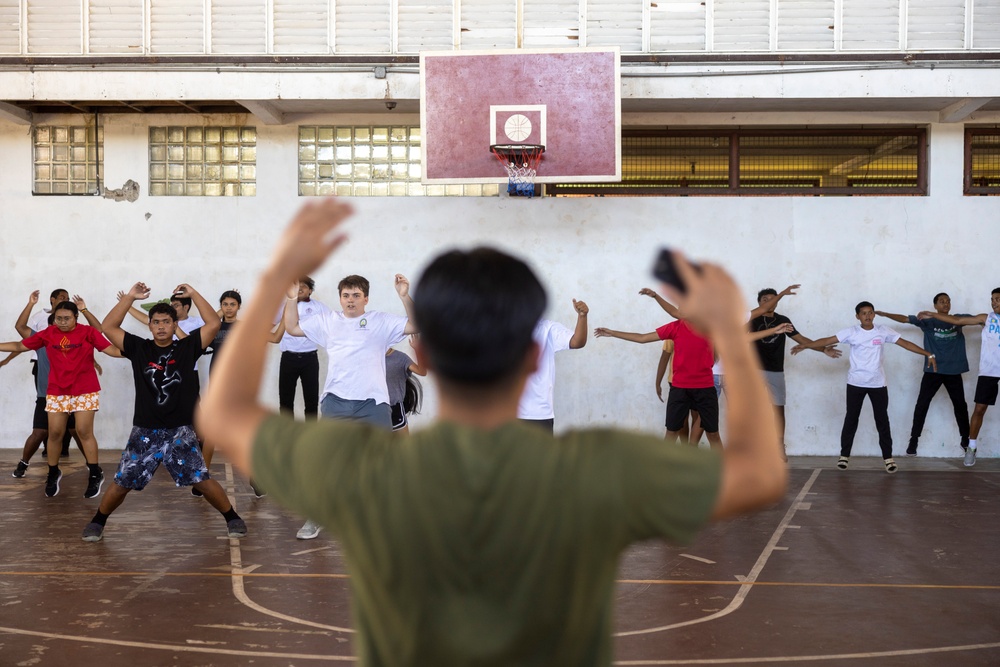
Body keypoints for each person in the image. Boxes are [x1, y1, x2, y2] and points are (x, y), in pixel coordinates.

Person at [198, 199, 786, 667]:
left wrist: (278, 277)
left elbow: (222, 414)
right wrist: (730, 337)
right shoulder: (593, 468)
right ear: (534, 359)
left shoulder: (369, 467)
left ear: (421, 353)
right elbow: (760, 472)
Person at [80, 282, 246, 542]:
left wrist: (193, 293)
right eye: (156, 322)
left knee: (200, 479)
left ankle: (232, 517)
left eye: (166, 321)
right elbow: (108, 327)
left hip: (180, 430)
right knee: (122, 482)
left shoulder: (187, 348)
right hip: (145, 429)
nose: (161, 326)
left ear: (174, 323)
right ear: (149, 325)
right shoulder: (139, 348)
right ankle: (98, 521)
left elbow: (213, 323)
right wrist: (131, 298)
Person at [282, 272, 418, 539]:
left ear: (365, 298)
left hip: (374, 404)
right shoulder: (328, 321)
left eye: (356, 295)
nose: (351, 300)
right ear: (340, 298)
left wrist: (404, 296)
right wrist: (289, 299)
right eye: (346, 295)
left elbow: (416, 325)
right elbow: (292, 328)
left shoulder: (380, 322)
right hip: (336, 402)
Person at [792, 301, 937, 473]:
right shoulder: (852, 332)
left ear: (874, 314)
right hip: (855, 383)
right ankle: (844, 456)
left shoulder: (882, 331)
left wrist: (927, 353)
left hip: (878, 384)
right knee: (851, 419)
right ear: (857, 316)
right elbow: (828, 339)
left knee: (882, 421)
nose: (867, 316)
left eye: (870, 312)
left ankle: (888, 458)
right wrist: (807, 345)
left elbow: (905, 343)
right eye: (863, 313)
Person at [0, 298, 121, 498]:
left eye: (67, 318)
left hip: (85, 389)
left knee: (83, 431)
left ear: (76, 317)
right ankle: (53, 471)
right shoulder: (47, 334)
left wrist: (136, 352)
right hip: (57, 390)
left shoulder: (88, 332)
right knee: (55, 433)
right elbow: (20, 346)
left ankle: (94, 472)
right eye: (58, 319)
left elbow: (110, 350)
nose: (62, 322)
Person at [198, 289, 283, 497]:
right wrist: (216, 314)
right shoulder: (213, 327)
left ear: (238, 306)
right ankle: (201, 478)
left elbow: (275, 338)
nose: (228, 308)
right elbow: (193, 339)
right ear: (221, 306)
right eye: (225, 304)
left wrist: (288, 310)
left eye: (232, 304)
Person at [875, 294, 972, 457]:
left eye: (948, 301)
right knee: (922, 405)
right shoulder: (927, 321)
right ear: (935, 305)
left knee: (960, 406)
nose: (946, 304)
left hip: (953, 371)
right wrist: (884, 314)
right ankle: (914, 440)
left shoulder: (958, 319)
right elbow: (905, 319)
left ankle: (965, 439)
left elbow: (978, 320)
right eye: (942, 302)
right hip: (933, 371)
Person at [751, 287, 842, 458]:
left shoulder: (783, 320)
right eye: (765, 299)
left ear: (777, 302)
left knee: (778, 409)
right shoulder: (752, 319)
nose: (769, 302)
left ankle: (779, 446)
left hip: (775, 371)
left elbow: (802, 339)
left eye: (773, 299)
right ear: (759, 303)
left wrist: (823, 350)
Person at [915, 288, 1000, 466]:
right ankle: (971, 447)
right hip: (990, 371)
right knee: (979, 409)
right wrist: (932, 314)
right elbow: (957, 320)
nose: (994, 302)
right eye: (992, 299)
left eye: (997, 299)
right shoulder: (986, 318)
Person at [517, 299, 589, 432]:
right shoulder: (500, 329)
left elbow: (577, 342)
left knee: (539, 453)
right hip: (504, 413)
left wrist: (582, 317)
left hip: (538, 414)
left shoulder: (547, 328)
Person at [278, 277, 328, 420]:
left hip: (310, 359)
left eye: (303, 286)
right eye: (296, 286)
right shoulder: (283, 306)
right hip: (288, 358)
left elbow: (335, 324)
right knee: (286, 402)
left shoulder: (319, 307)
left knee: (311, 401)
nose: (299, 289)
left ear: (310, 290)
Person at [655, 340, 703, 444]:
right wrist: (657, 382)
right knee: (682, 417)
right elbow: (664, 357)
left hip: (698, 381)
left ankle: (692, 448)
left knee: (698, 414)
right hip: (677, 382)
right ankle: (685, 447)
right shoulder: (673, 331)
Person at [385, 336, 426, 435]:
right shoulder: (369, 358)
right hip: (375, 408)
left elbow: (422, 371)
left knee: (403, 446)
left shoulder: (401, 358)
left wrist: (418, 350)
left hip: (395, 409)